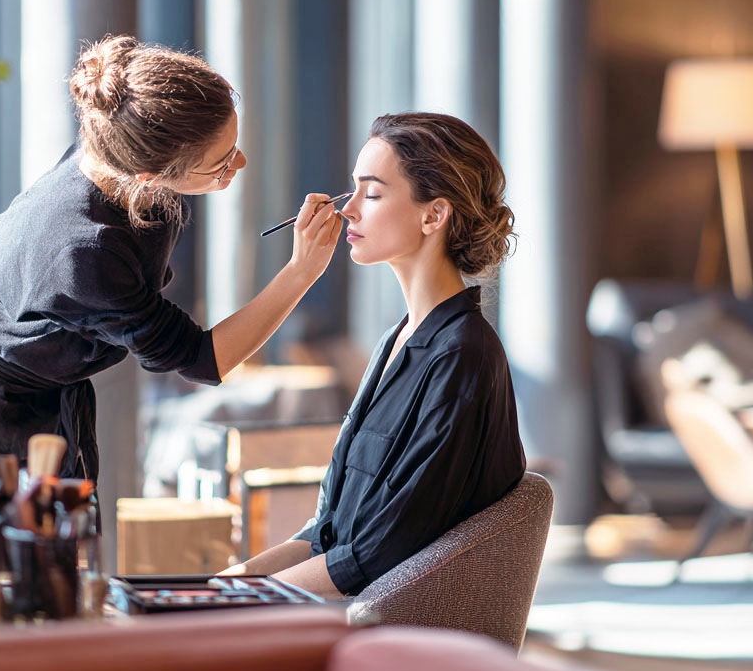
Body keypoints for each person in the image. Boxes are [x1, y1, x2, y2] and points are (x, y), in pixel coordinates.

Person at [0, 35, 341, 486]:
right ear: (150, 174)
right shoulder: (87, 252)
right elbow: (204, 360)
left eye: (234, 146)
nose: (238, 165)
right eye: (220, 164)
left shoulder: (115, 138)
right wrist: (301, 271)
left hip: (24, 399)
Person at [222, 112, 526, 598]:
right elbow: (329, 530)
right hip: (345, 607)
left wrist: (243, 600)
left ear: (434, 215)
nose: (349, 210)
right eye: (353, 191)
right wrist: (228, 584)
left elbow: (378, 554)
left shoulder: (463, 355)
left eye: (374, 193)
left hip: (395, 630)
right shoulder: (397, 340)